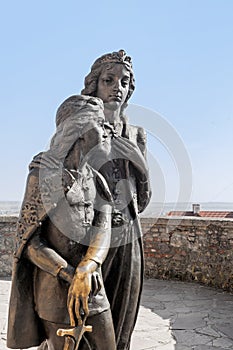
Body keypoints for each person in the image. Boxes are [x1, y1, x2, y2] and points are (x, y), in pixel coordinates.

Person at [7, 95, 116, 350]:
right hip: (54, 292)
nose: (107, 130)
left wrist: (88, 267)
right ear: (80, 128)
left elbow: (104, 225)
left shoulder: (95, 178)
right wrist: (70, 274)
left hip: (92, 287)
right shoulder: (43, 175)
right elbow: (29, 241)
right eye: (100, 124)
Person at [81, 50, 151, 350]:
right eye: (109, 80)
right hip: (88, 235)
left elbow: (143, 197)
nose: (117, 87)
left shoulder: (136, 134)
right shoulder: (81, 126)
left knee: (122, 314)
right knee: (84, 312)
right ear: (95, 85)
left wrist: (139, 163)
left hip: (128, 235)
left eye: (124, 82)